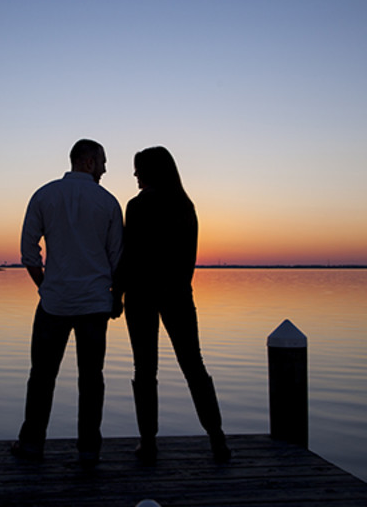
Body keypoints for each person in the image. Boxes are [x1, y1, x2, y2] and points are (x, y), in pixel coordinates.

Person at [114, 145, 230, 464]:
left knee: (145, 368)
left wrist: (116, 295)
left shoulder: (137, 206)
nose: (135, 174)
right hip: (178, 295)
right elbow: (187, 258)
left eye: (138, 168)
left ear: (151, 170)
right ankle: (217, 438)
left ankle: (148, 443)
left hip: (141, 296)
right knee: (194, 365)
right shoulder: (185, 205)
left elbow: (129, 256)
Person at [12, 138, 124, 467]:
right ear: (88, 162)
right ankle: (88, 449)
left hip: (54, 304)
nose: (105, 168)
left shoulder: (44, 195)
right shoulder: (108, 202)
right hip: (94, 305)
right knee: (92, 378)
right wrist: (116, 298)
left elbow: (29, 253)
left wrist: (45, 287)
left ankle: (32, 443)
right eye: (102, 162)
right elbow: (118, 259)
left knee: (42, 376)